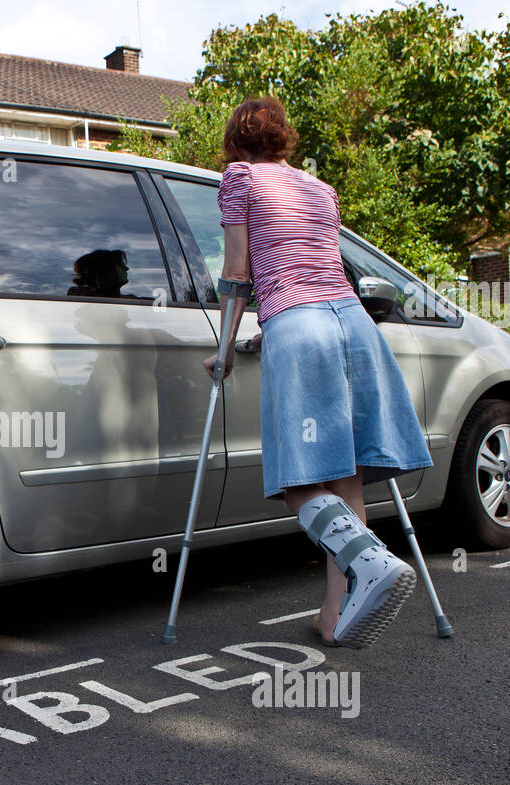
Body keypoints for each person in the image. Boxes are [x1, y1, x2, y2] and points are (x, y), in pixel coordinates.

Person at [207, 96, 434, 649]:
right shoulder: (320, 189)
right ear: (284, 137)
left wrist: (229, 344)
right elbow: (320, 268)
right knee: (345, 476)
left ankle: (370, 563)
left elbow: (238, 273)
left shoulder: (239, 178)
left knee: (297, 481)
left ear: (237, 139)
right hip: (351, 324)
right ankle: (336, 614)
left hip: (300, 326)